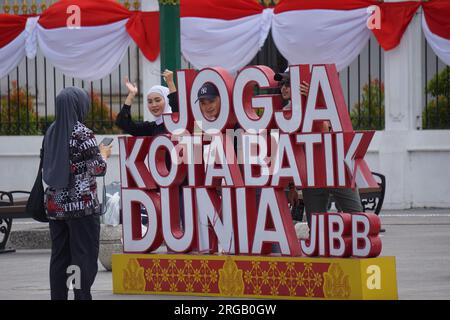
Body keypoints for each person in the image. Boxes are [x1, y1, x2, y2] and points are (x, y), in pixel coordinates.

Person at [43, 87, 112, 300]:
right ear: (79, 105)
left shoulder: (51, 131)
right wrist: (104, 153)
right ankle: (81, 296)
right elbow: (98, 168)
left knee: (60, 257)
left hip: (56, 207)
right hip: (82, 208)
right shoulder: (82, 132)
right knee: (82, 257)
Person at [276, 71, 364, 228]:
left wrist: (314, 98)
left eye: (288, 83)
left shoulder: (321, 103)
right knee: (316, 227)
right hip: (312, 174)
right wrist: (292, 186)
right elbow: (288, 150)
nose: (284, 88)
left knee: (358, 217)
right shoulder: (285, 114)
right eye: (281, 84)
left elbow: (327, 126)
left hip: (337, 168)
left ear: (301, 85)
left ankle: (356, 247)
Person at [115, 69, 178, 136]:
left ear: (167, 100)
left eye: (158, 100)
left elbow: (177, 108)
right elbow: (122, 122)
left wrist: (170, 82)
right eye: (150, 102)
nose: (154, 105)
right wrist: (131, 95)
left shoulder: (178, 122)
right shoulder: (150, 128)